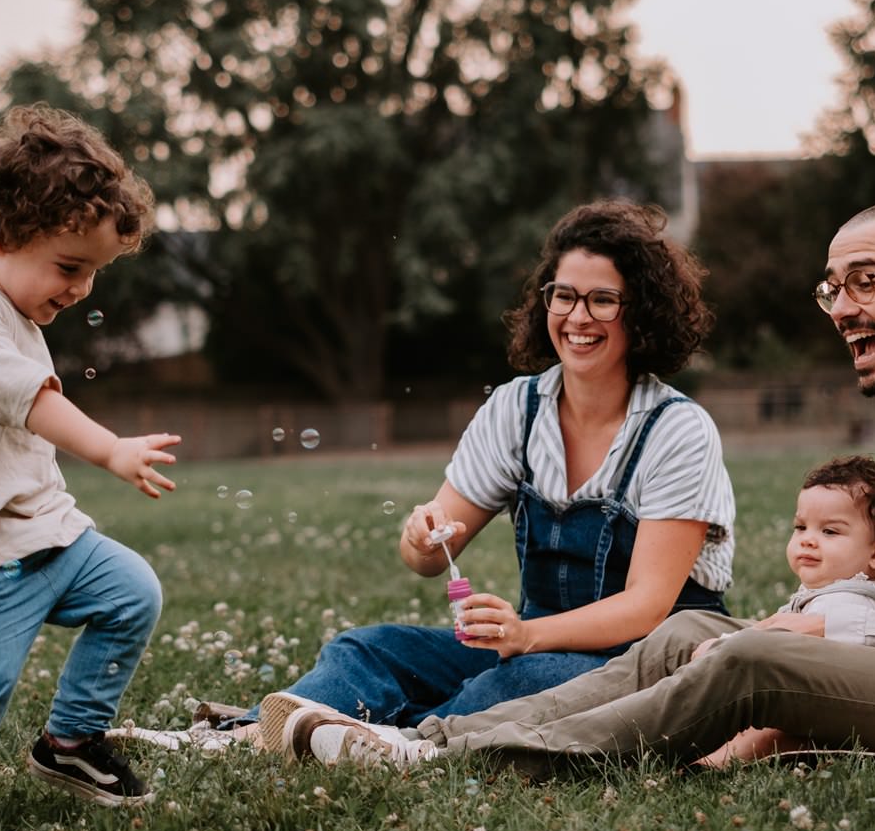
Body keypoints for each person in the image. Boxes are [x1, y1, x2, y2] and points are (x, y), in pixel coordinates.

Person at [266, 199, 875, 774]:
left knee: (755, 656)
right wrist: (840, 617)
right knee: (702, 629)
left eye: (866, 282)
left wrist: (832, 624)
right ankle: (423, 740)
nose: (840, 306)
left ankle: (474, 759)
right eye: (833, 286)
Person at [226, 200, 736, 741]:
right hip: (533, 645)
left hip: (644, 667)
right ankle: (249, 737)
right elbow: (427, 555)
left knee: (525, 677)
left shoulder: (676, 430)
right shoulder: (517, 410)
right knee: (365, 649)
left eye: (603, 300)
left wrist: (527, 634)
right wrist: (421, 538)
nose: (578, 317)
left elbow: (646, 607)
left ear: (642, 313)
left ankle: (392, 739)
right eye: (563, 296)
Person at [0, 104, 180, 818]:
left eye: (94, 274)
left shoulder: (13, 309)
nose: (82, 290)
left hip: (41, 531)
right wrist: (110, 448)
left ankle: (72, 740)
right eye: (70, 266)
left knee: (132, 591)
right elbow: (32, 400)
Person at [691, 455, 875, 769]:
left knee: (761, 725)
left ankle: (717, 758)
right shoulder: (822, 596)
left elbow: (779, 651)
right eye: (801, 527)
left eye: (830, 532)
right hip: (817, 711)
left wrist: (721, 647)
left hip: (833, 716)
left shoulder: (848, 605)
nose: (807, 540)